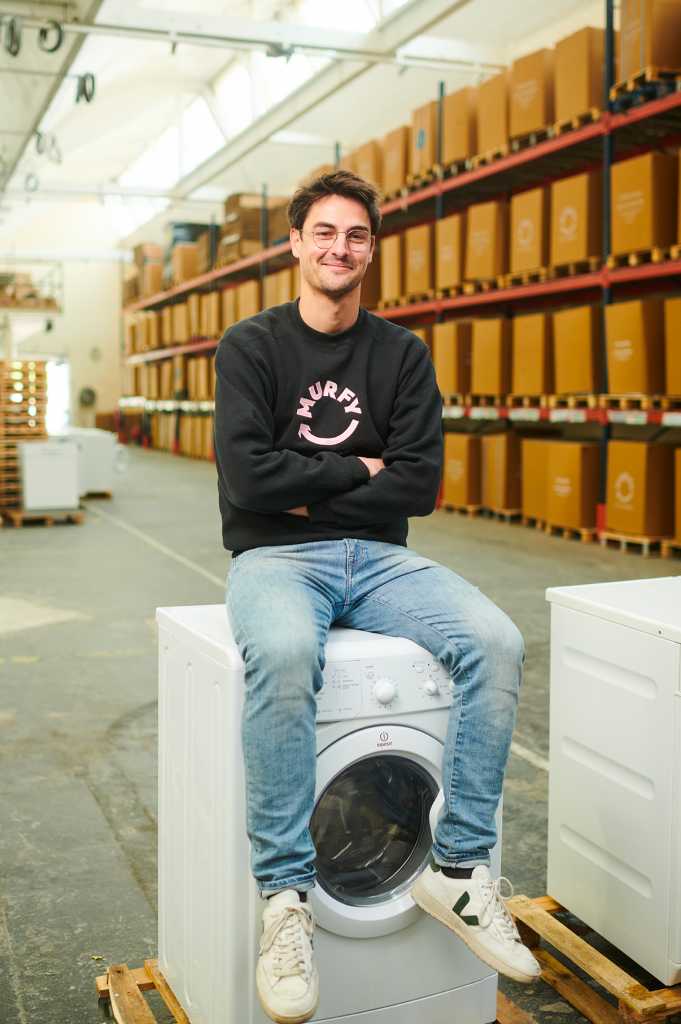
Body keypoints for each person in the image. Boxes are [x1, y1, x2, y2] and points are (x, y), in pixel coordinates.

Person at [213, 169, 540, 1024]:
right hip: (275, 559)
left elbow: (418, 486)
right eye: (323, 232)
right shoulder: (251, 347)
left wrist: (307, 483)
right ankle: (287, 899)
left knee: (497, 642)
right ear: (295, 243)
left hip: (382, 561)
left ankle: (458, 870)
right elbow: (247, 481)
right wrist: (361, 469)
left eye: (355, 235)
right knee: (285, 653)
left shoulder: (401, 355)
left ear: (371, 249)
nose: (339, 247)